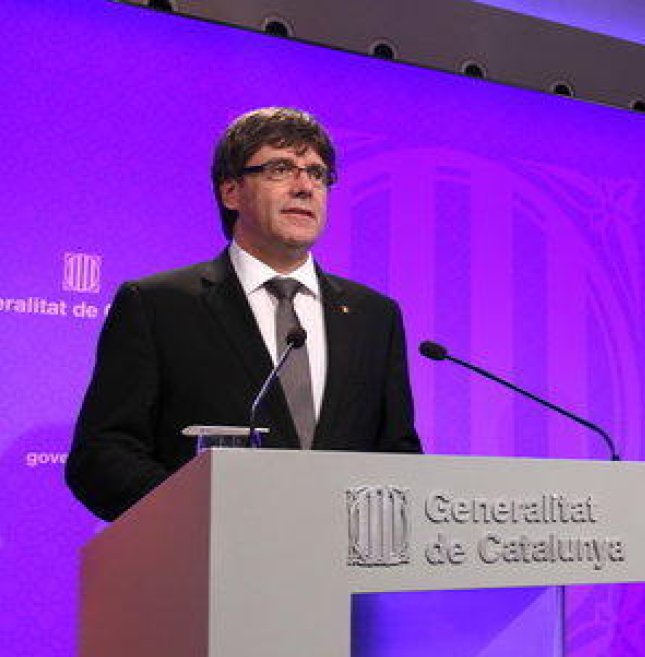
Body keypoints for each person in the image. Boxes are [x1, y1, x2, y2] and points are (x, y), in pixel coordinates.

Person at [66, 107, 422, 522]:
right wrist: (203, 519)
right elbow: (102, 455)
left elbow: (398, 454)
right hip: (204, 572)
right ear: (231, 191)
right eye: (280, 169)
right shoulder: (158, 305)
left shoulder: (373, 316)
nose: (305, 186)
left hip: (342, 577)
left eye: (318, 173)